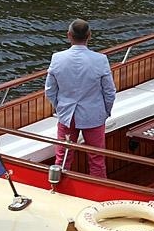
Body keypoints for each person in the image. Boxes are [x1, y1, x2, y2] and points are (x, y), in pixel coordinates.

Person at [44, 19, 116, 178]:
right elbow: (109, 92)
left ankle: (59, 187)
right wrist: (105, 112)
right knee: (97, 159)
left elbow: (50, 90)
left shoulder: (57, 58)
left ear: (69, 35)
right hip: (94, 116)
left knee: (63, 159)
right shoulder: (100, 59)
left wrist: (60, 107)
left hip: (67, 116)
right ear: (89, 35)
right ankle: (98, 189)